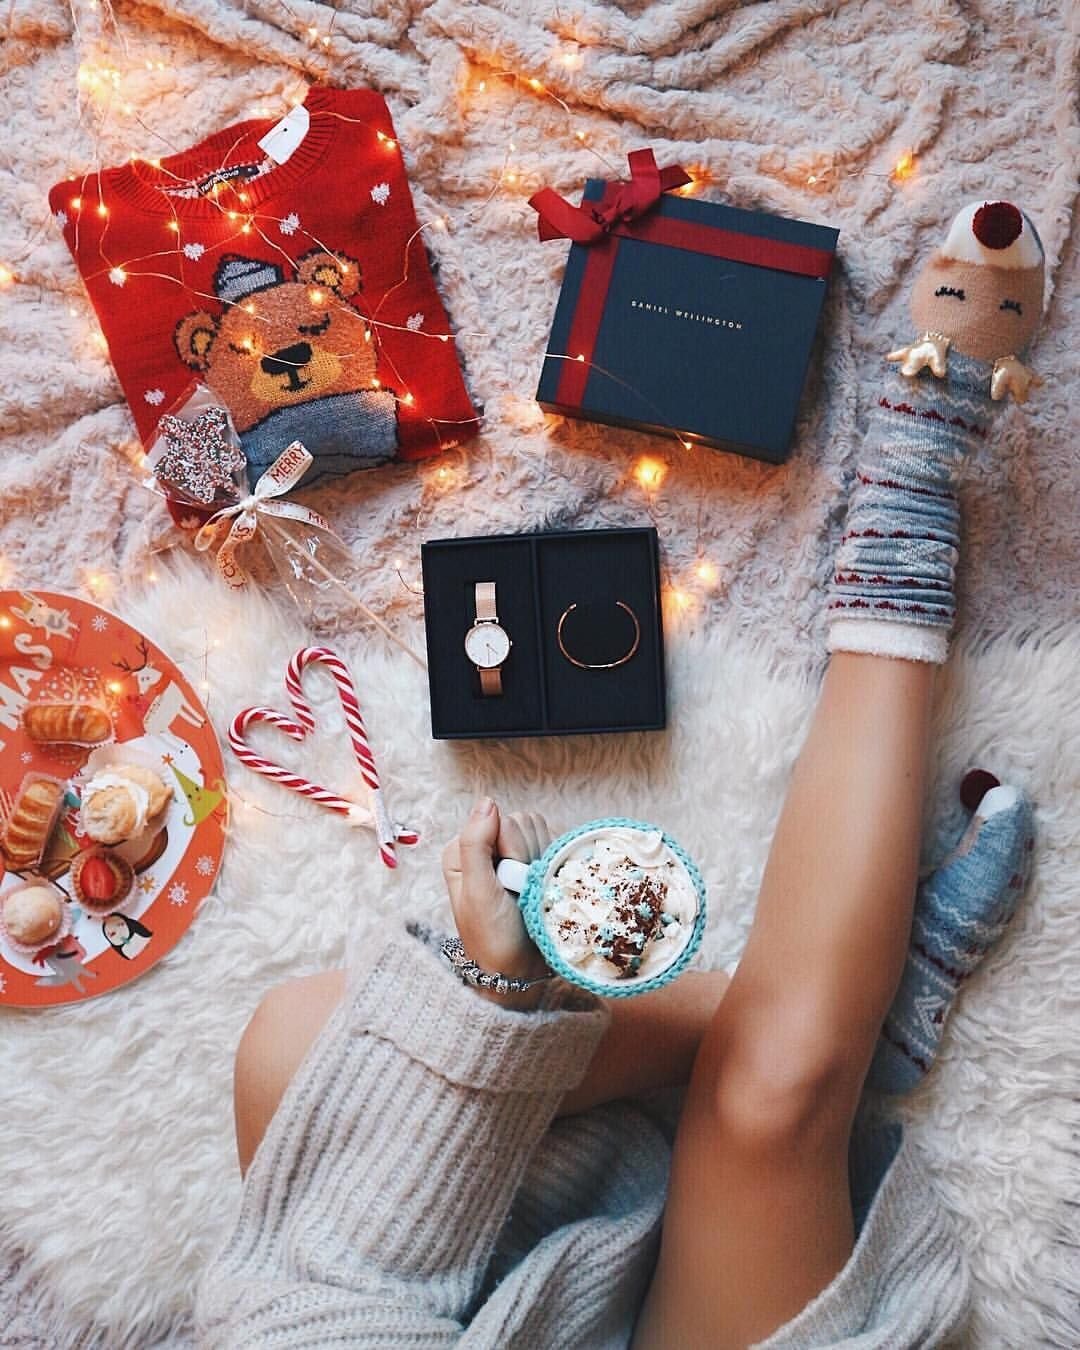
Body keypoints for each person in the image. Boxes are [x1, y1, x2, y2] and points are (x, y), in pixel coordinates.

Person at [194, 199, 1043, 1347]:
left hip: (411, 1301)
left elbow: (320, 1294)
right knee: (778, 1087)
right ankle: (916, 476)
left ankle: (847, 989)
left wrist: (501, 996)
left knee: (291, 1045)